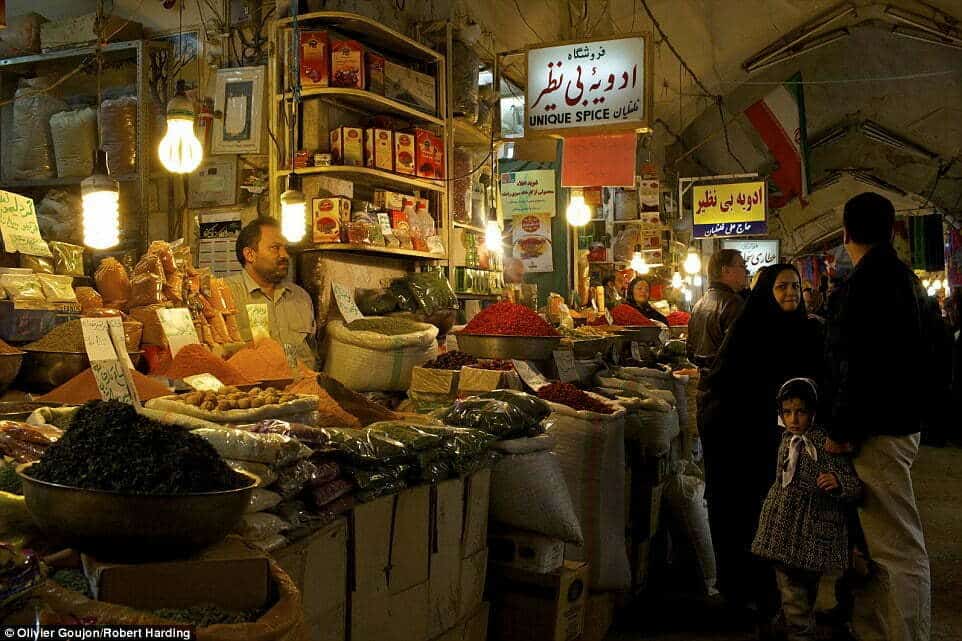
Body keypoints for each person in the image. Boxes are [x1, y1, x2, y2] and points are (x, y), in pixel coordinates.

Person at [822, 192, 936, 641]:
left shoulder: (869, 285)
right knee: (874, 543)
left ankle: (907, 632)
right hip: (896, 422)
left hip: (878, 431)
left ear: (846, 233)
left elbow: (861, 366)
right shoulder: (901, 279)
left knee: (896, 547)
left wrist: (842, 430)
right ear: (892, 231)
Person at [699, 264, 824, 634]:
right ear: (768, 290)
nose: (791, 293)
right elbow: (725, 389)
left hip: (791, 446)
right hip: (746, 446)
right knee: (748, 519)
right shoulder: (748, 331)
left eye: (796, 286)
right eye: (783, 286)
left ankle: (787, 605)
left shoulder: (807, 331)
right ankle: (746, 596)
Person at [752, 378, 862, 641]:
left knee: (804, 584)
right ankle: (796, 625)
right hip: (783, 525)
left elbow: (851, 480)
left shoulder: (822, 444)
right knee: (790, 583)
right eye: (787, 413)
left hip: (811, 529)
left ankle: (797, 626)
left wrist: (838, 483)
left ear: (813, 412)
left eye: (800, 412)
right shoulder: (786, 440)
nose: (794, 419)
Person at [225, 218, 317, 369]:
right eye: (275, 248)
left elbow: (313, 352)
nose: (285, 255)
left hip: (304, 387)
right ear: (250, 254)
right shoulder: (225, 295)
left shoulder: (300, 296)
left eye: (285, 248)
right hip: (252, 391)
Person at [687, 249, 749, 377]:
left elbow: (690, 351)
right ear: (726, 270)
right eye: (742, 266)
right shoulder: (733, 303)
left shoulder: (698, 304)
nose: (746, 271)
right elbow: (739, 354)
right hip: (726, 385)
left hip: (703, 383)